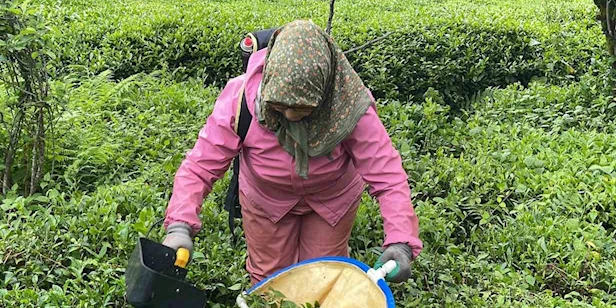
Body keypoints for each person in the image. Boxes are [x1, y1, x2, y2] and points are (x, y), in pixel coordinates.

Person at [162, 19, 422, 284]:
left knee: (323, 275)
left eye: (303, 108)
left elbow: (387, 175)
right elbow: (200, 167)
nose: (290, 116)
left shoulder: (350, 105)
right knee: (269, 277)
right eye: (280, 107)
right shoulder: (240, 99)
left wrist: (401, 241)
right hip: (266, 198)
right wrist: (180, 226)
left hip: (333, 199)